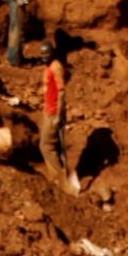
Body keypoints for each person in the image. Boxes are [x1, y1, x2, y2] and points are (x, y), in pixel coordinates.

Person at [37, 41, 78, 193]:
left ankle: (60, 181)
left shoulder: (56, 67)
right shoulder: (49, 67)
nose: (43, 57)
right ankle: (58, 177)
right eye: (42, 54)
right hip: (49, 111)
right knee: (50, 146)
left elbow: (61, 92)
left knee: (46, 146)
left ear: (52, 53)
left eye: (46, 54)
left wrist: (58, 116)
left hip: (54, 112)